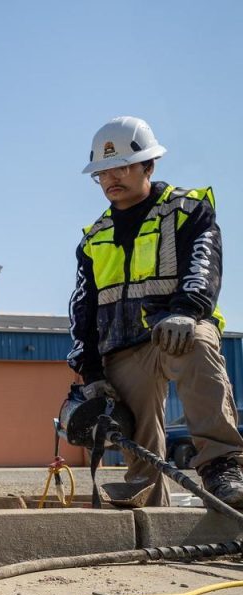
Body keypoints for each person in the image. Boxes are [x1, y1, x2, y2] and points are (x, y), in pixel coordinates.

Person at [69, 116, 243, 507]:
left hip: (175, 328)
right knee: (139, 443)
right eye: (102, 172)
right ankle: (150, 508)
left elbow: (203, 265)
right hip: (124, 349)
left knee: (196, 341)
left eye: (123, 166)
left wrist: (187, 311)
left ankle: (222, 469)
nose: (111, 178)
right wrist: (92, 373)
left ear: (149, 165)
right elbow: (84, 309)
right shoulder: (94, 239)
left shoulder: (186, 211)